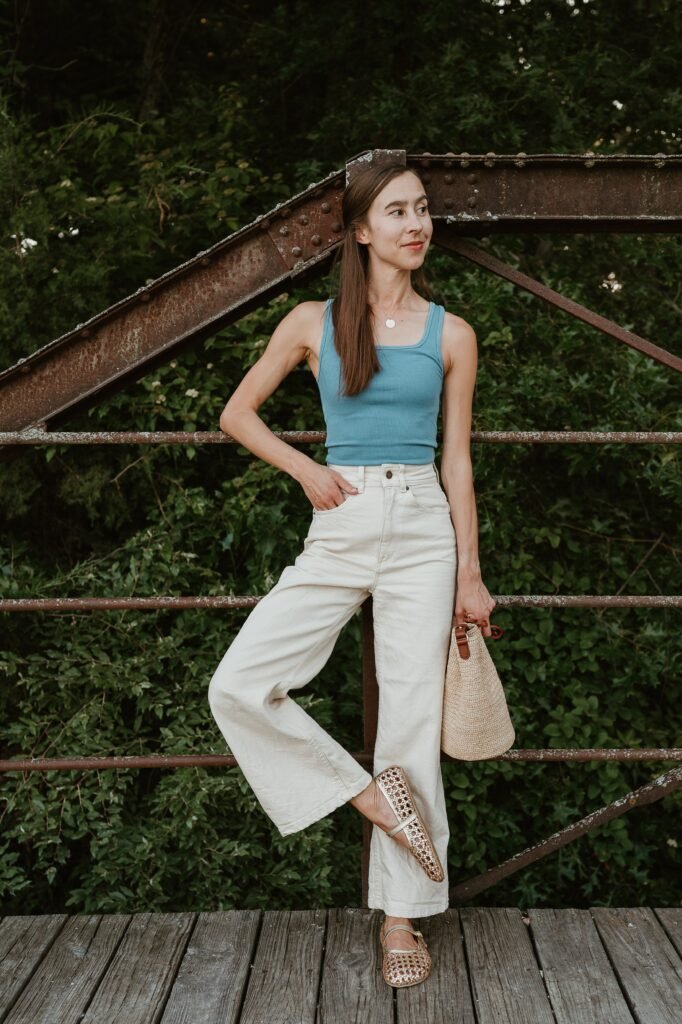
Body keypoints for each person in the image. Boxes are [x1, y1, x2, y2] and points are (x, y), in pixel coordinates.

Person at [207, 159, 496, 988]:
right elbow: (236, 414)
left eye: (425, 209)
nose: (418, 224)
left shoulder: (453, 333)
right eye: (398, 211)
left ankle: (401, 920)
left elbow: (459, 460)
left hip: (422, 525)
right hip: (339, 515)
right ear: (362, 230)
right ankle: (366, 796)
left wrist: (470, 573)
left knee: (410, 719)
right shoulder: (313, 321)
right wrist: (304, 471)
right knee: (239, 683)